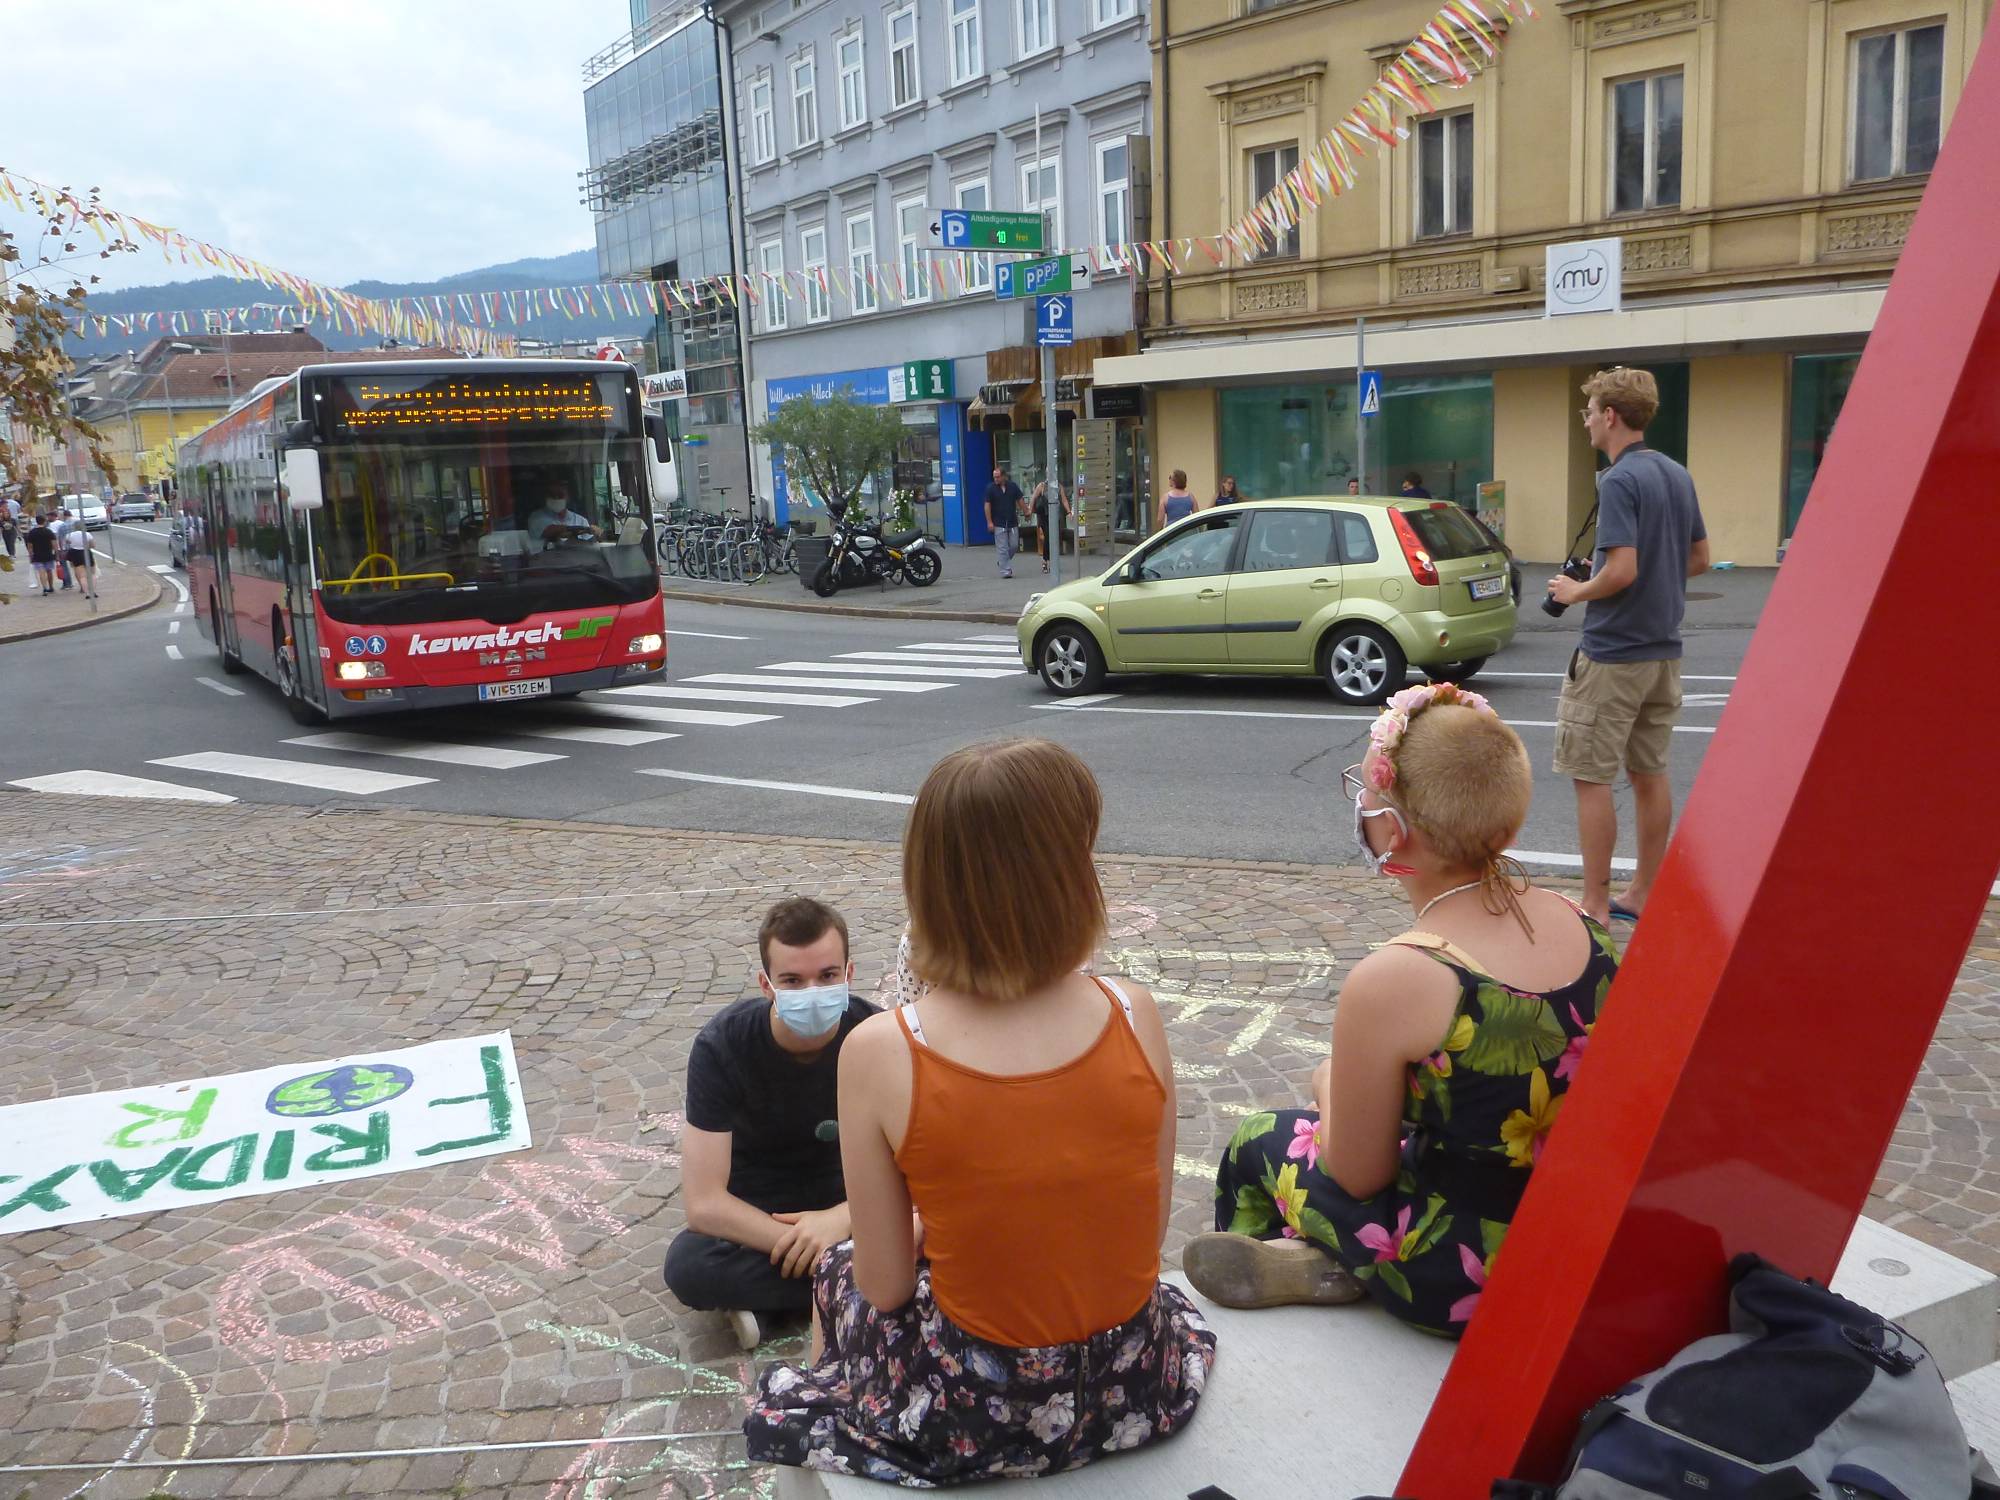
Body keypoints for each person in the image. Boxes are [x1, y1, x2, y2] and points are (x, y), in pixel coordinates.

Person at [745, 739, 1215, 1484]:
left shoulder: (881, 1049)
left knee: (835, 1270)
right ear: (1070, 880)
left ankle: (834, 1433)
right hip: (1135, 1376)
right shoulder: (1134, 1011)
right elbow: (1142, 1231)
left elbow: (888, 1285)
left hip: (981, 1410)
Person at [1183, 684, 1618, 1337]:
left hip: (1464, 1271)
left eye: (1367, 796)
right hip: (1573, 1236)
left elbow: (1357, 1174)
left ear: (1393, 829)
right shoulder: (1585, 926)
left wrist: (1329, 1081)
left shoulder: (1401, 977)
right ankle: (1320, 1264)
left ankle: (1291, 1298)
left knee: (1258, 1141)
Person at [669, 897, 877, 1353]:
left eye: (827, 976)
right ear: (767, 986)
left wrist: (841, 1220)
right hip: (762, 1210)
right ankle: (856, 1283)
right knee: (688, 1266)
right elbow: (704, 1203)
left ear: (849, 975)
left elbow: (916, 1165)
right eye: (792, 981)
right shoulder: (722, 1046)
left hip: (853, 1201)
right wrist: (805, 1242)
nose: (812, 992)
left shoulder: (876, 1035)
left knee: (945, 1226)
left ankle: (778, 1301)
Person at [1547, 366, 1709, 927]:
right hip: (1663, 651)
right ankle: (1643, 892)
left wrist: (1574, 591)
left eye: (1589, 412)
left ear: (1610, 416)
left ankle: (1595, 903)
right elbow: (1699, 558)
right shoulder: (1676, 474)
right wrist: (1657, 581)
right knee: (1650, 773)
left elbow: (1620, 569)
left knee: (1590, 777)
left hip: (1614, 653)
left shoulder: (1617, 480)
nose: (1587, 422)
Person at [524, 480, 597, 546]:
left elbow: (589, 545)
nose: (556, 498)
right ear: (545, 497)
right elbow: (550, 531)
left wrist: (593, 531)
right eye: (552, 495)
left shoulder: (581, 520)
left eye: (560, 495)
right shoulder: (536, 517)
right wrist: (580, 529)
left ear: (568, 497)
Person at [982, 465, 1024, 578]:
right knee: (1002, 547)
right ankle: (1006, 570)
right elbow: (987, 506)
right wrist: (989, 522)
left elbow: (1020, 500)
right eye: (994, 477)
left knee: (1014, 545)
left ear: (1004, 476)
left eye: (998, 477)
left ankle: (1002, 561)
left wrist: (1026, 511)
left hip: (1012, 521)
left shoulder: (1013, 487)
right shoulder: (990, 489)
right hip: (998, 523)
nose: (996, 479)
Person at [1029, 473, 1071, 573]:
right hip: (1044, 516)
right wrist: (1029, 512)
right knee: (1048, 538)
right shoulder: (1042, 486)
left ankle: (1050, 562)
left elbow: (1064, 500)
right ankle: (1045, 560)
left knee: (1054, 539)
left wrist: (1069, 512)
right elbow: (1034, 498)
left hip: (1055, 516)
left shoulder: (1058, 486)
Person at [62, 515, 98, 600]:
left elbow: (66, 543)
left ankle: (87, 593)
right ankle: (93, 591)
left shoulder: (69, 535)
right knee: (92, 574)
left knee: (82, 576)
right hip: (86, 552)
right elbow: (93, 545)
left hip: (76, 554)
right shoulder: (87, 534)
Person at [25, 514, 58, 595]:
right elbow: (54, 544)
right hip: (48, 554)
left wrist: (30, 555)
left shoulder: (32, 532)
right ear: (44, 521)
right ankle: (51, 587)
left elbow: (30, 546)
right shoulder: (49, 531)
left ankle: (44, 588)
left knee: (41, 571)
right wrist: (56, 553)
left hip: (37, 554)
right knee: (49, 570)